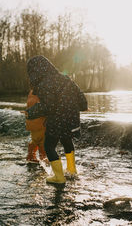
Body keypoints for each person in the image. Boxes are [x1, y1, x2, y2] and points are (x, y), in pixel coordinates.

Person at [24, 55, 88, 184]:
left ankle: (59, 177)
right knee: (67, 141)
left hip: (57, 119)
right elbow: (81, 98)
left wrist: (29, 112)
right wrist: (79, 108)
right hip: (72, 118)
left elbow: (48, 106)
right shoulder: (65, 78)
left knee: (49, 146)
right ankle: (71, 169)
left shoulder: (43, 84)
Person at [25, 89, 47, 163]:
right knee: (42, 142)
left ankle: (31, 156)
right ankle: (43, 158)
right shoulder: (43, 91)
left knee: (35, 140)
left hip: (31, 122)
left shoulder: (32, 91)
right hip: (40, 122)